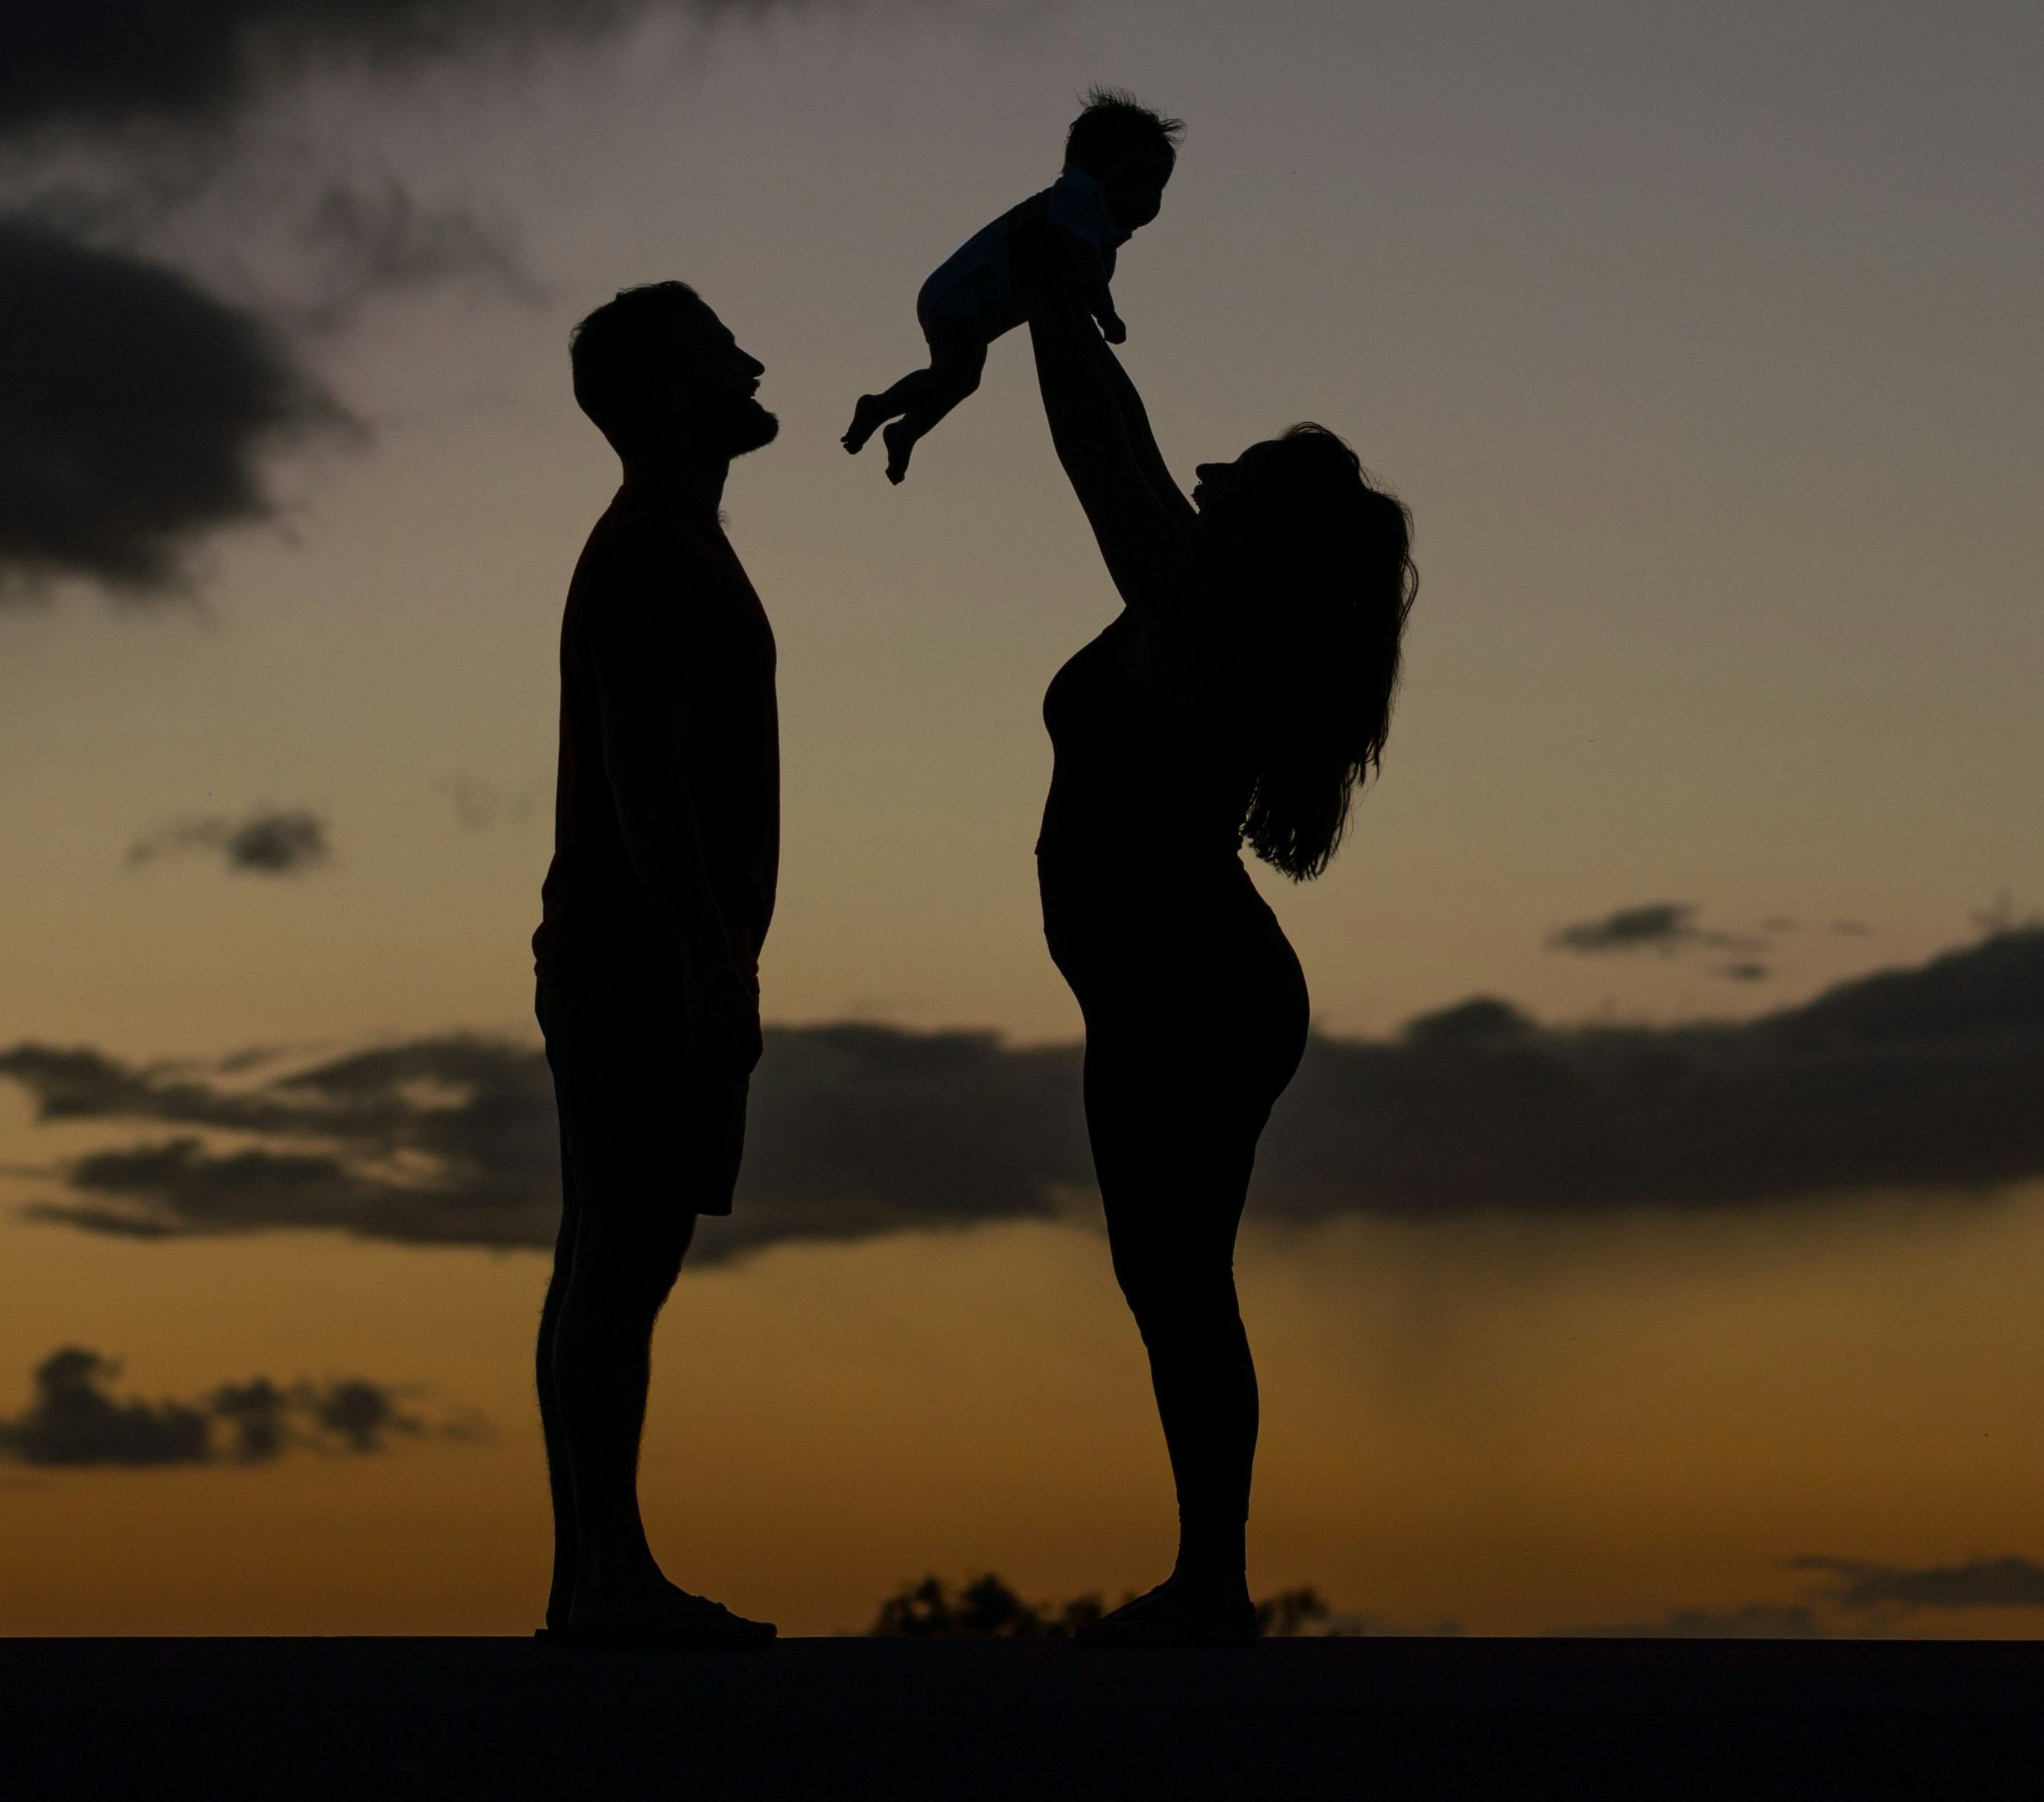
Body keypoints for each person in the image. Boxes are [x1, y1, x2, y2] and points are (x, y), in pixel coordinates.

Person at [1006, 191, 1418, 1646]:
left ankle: (1211, 1584)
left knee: (1174, 1279)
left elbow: (1097, 462)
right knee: (1170, 1278)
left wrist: (1053, 304)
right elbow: (1123, 437)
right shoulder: (1200, 604)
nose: (1207, 470)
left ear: (1270, 535)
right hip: (1179, 989)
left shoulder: (1199, 620)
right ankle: (1210, 1578)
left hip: (1193, 991)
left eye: (1236, 472)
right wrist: (1071, 303)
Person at [529, 282, 782, 1649]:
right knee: (621, 1261)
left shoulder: (675, 546)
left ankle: (592, 1583)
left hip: (639, 958)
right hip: (640, 963)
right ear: (654, 394)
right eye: (715, 352)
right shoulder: (652, 556)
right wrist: (706, 958)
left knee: (608, 1260)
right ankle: (607, 1582)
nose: (749, 362)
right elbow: (643, 769)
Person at [840, 89, 1178, 484]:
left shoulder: (1098, 228)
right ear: (1090, 166)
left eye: (1158, 186)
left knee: (964, 381)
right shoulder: (1077, 199)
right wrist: (1108, 316)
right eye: (1136, 179)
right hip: (963, 296)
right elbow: (1084, 267)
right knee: (951, 375)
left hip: (975, 306)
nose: (1149, 197)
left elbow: (1087, 270)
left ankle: (905, 431)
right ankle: (878, 407)